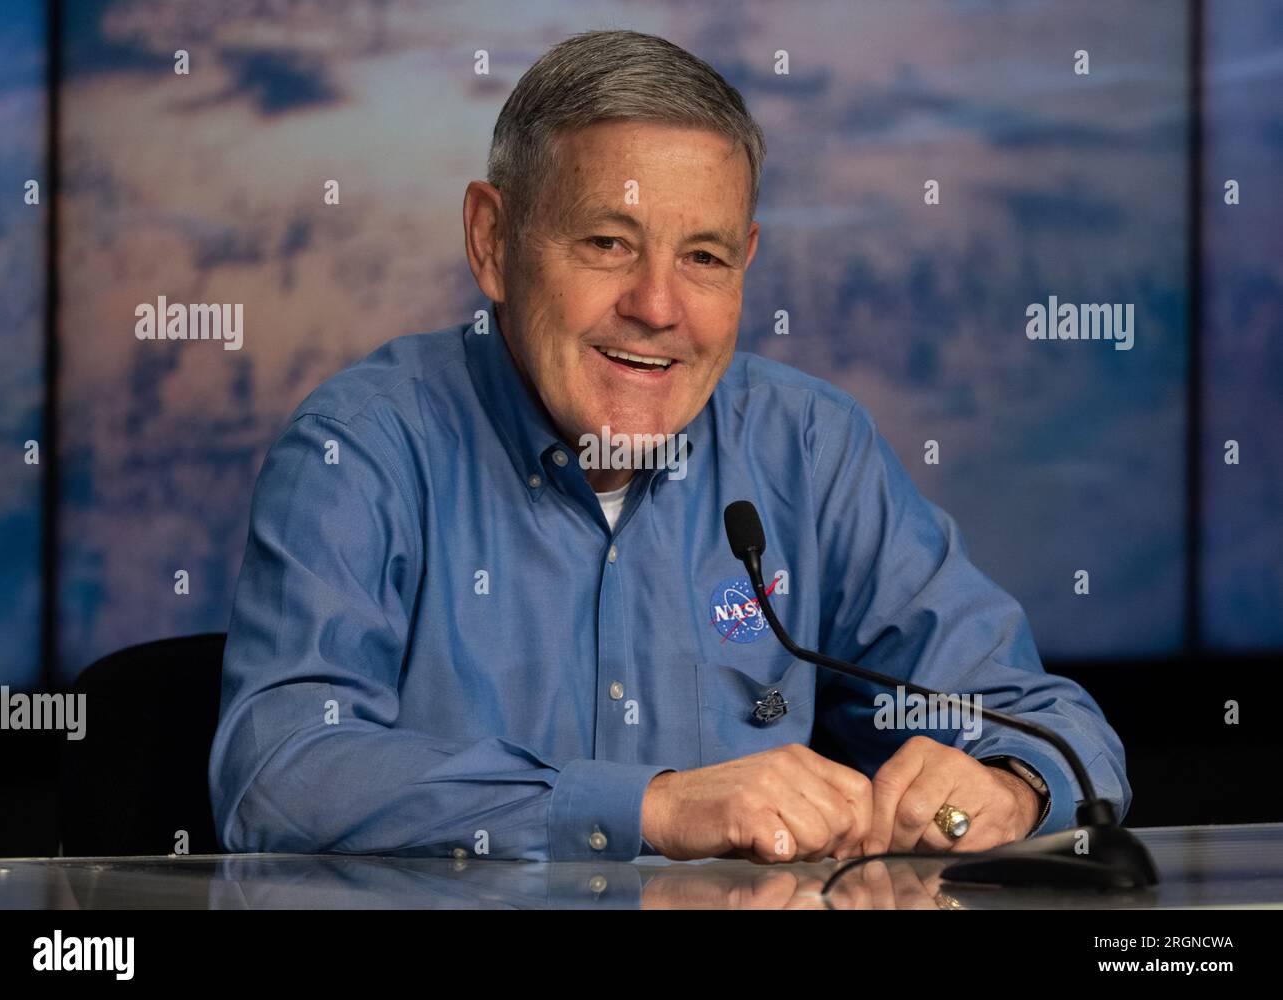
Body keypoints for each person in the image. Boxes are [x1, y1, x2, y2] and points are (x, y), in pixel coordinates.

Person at [209, 29, 1130, 864]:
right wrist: (648, 807)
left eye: (704, 258)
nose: (657, 308)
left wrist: (1009, 791)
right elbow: (280, 771)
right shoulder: (362, 448)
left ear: (748, 261)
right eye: (608, 242)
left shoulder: (809, 447)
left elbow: (1052, 729)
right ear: (493, 242)